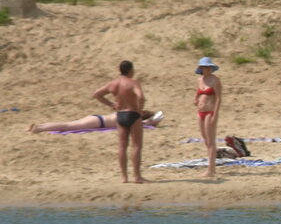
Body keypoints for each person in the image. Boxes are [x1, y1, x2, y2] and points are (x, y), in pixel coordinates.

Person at [92, 60, 147, 183]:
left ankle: (124, 177)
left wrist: (112, 104)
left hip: (120, 114)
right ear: (131, 70)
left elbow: (97, 94)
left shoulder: (113, 84)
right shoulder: (133, 83)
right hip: (133, 113)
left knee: (122, 146)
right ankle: (137, 176)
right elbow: (141, 97)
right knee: (136, 145)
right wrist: (139, 109)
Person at [194, 57, 223, 178]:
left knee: (211, 140)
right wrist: (195, 99)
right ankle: (212, 163)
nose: (207, 69)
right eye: (205, 67)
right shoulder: (200, 80)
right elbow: (198, 92)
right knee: (205, 139)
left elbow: (218, 98)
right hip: (200, 111)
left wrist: (215, 114)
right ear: (201, 68)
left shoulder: (215, 80)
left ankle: (211, 169)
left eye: (209, 67)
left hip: (210, 111)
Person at [28, 110, 163, 133]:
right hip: (98, 122)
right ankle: (39, 128)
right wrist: (151, 123)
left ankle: (40, 126)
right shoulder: (133, 118)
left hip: (97, 119)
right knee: (69, 126)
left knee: (69, 124)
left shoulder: (127, 112)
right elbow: (142, 125)